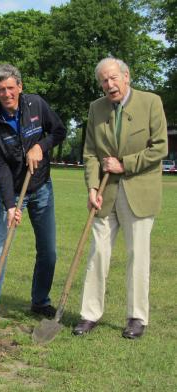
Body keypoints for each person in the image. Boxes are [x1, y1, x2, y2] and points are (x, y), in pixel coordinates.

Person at [0, 64, 66, 333]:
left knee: (48, 251)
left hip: (42, 186)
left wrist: (39, 146)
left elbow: (59, 131)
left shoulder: (36, 105)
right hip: (12, 192)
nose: (6, 93)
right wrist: (11, 205)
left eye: (11, 88)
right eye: (1, 90)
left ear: (20, 87)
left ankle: (40, 301)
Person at [73, 57, 168, 339]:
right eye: (103, 80)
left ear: (126, 77)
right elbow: (90, 152)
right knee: (98, 253)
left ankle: (137, 317)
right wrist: (91, 187)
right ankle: (89, 315)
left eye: (113, 78)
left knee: (137, 255)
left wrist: (124, 164)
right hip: (105, 193)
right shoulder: (96, 108)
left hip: (140, 191)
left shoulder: (151, 102)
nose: (109, 84)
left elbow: (159, 148)